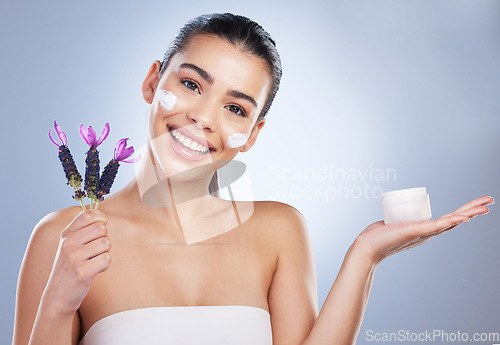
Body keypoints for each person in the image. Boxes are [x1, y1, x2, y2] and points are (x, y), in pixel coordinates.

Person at [12, 13, 493, 345]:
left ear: (253, 134)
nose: (204, 118)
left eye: (236, 108)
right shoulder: (63, 239)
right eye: (191, 84)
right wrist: (57, 303)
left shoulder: (278, 231)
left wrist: (365, 257)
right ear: (152, 81)